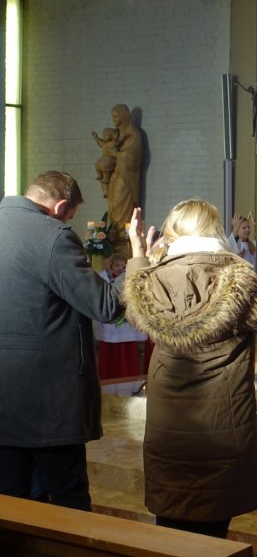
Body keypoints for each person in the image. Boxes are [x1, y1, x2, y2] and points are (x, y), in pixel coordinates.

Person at [122, 199, 257, 538]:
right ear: (214, 232)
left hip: (169, 425)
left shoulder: (150, 281)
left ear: (173, 233)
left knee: (171, 519)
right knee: (213, 528)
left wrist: (138, 252)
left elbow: (134, 296)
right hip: (221, 428)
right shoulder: (235, 284)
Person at [0, 170, 122, 511]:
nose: (68, 222)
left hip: (5, 397)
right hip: (48, 400)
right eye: (70, 215)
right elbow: (105, 305)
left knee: (10, 501)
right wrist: (140, 264)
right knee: (69, 499)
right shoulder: (53, 237)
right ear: (60, 206)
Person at [94, 254, 147, 379]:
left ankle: (130, 378)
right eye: (117, 265)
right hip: (112, 323)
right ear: (111, 266)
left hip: (126, 322)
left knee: (127, 354)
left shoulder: (128, 278)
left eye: (123, 266)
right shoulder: (105, 278)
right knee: (111, 356)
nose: (120, 268)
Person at [108, 104, 143, 244]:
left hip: (126, 179)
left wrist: (116, 154)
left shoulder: (134, 134)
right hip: (116, 173)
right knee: (113, 204)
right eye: (113, 117)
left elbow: (133, 159)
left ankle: (125, 237)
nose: (114, 119)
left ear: (123, 116)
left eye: (116, 116)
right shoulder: (117, 134)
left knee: (122, 204)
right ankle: (115, 234)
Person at [91, 127, 119, 194]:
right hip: (103, 160)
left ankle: (106, 192)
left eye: (106, 135)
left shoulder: (111, 144)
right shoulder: (104, 144)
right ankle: (100, 175)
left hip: (108, 161)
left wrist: (115, 137)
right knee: (97, 164)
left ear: (111, 135)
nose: (104, 136)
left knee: (106, 179)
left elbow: (115, 143)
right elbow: (99, 142)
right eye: (104, 135)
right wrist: (96, 137)